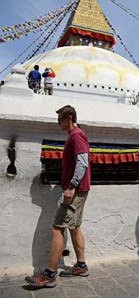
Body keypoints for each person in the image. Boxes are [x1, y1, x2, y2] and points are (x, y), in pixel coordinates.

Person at [25, 105, 91, 288]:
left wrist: (71, 186)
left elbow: (83, 163)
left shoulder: (76, 135)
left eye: (60, 119)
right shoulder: (75, 135)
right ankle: (81, 265)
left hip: (75, 190)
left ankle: (49, 275)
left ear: (69, 118)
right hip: (80, 189)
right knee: (74, 227)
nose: (58, 123)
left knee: (57, 228)